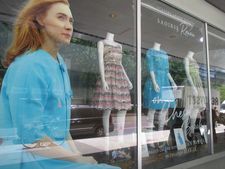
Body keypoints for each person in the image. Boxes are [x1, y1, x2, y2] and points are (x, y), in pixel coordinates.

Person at [0, 0, 120, 169]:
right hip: (31, 162)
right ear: (40, 19)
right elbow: (31, 140)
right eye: (61, 18)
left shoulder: (60, 63)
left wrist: (78, 157)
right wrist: (78, 160)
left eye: (71, 21)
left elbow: (63, 131)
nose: (69, 26)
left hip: (59, 158)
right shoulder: (29, 66)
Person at [92, 32, 132, 138]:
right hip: (108, 74)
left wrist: (128, 80)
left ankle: (120, 135)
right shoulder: (101, 43)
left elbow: (121, 64)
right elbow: (100, 61)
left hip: (119, 77)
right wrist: (103, 80)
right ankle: (107, 135)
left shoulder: (119, 45)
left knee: (123, 108)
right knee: (107, 108)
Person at [143, 42, 177, 132]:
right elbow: (151, 68)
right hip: (156, 81)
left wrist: (173, 82)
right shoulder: (150, 52)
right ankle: (150, 133)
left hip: (165, 82)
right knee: (152, 108)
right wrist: (154, 82)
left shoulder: (164, 54)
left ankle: (161, 132)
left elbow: (167, 71)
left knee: (164, 108)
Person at [181, 51, 206, 141]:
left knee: (195, 110)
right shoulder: (186, 59)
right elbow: (187, 74)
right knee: (188, 110)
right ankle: (184, 134)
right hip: (190, 85)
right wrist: (193, 86)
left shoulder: (194, 60)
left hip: (198, 85)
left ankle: (191, 132)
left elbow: (197, 74)